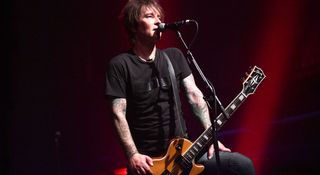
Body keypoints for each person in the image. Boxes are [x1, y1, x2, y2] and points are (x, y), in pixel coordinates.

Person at [106, 0, 256, 174]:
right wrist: (133, 154)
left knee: (241, 165)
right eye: (149, 16)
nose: (158, 21)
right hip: (148, 163)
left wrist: (211, 139)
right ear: (133, 26)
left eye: (158, 16)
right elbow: (118, 113)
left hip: (184, 154)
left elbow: (195, 96)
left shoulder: (174, 57)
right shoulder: (120, 65)